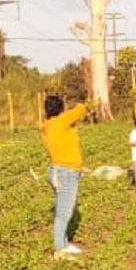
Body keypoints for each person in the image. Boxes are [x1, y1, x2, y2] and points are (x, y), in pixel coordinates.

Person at [41, 95, 86, 260]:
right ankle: (59, 250)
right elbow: (81, 109)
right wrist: (82, 102)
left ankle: (64, 244)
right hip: (66, 172)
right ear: (61, 109)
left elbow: (62, 149)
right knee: (64, 213)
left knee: (63, 209)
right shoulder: (62, 121)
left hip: (57, 170)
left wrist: (79, 166)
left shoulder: (47, 127)